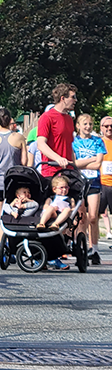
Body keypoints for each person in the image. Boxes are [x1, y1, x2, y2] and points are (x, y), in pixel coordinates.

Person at [0, 107, 27, 243]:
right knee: (14, 212)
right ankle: (14, 244)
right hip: (13, 181)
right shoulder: (19, 138)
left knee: (1, 213)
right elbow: (24, 161)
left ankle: (4, 246)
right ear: (10, 120)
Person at [72, 113, 106, 265]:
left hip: (94, 181)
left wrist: (84, 162)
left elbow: (98, 164)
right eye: (84, 124)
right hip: (79, 181)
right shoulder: (73, 142)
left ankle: (95, 249)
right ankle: (82, 247)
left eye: (90, 124)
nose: (88, 127)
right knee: (81, 217)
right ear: (78, 126)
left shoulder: (98, 141)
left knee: (93, 217)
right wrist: (91, 159)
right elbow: (74, 163)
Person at [99, 117, 112, 245]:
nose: (109, 128)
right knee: (95, 216)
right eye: (106, 126)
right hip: (101, 183)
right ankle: (94, 247)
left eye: (111, 126)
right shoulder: (98, 142)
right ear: (101, 128)